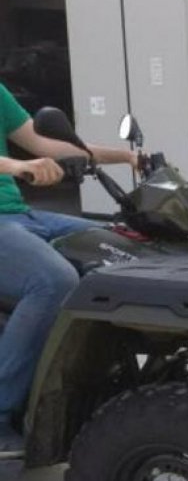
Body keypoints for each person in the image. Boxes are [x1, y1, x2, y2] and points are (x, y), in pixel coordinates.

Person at [0, 82, 137, 455]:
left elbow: (47, 146)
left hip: (19, 215)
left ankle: (100, 380)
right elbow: (26, 159)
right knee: (53, 280)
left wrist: (124, 157)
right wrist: (17, 165)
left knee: (125, 245)